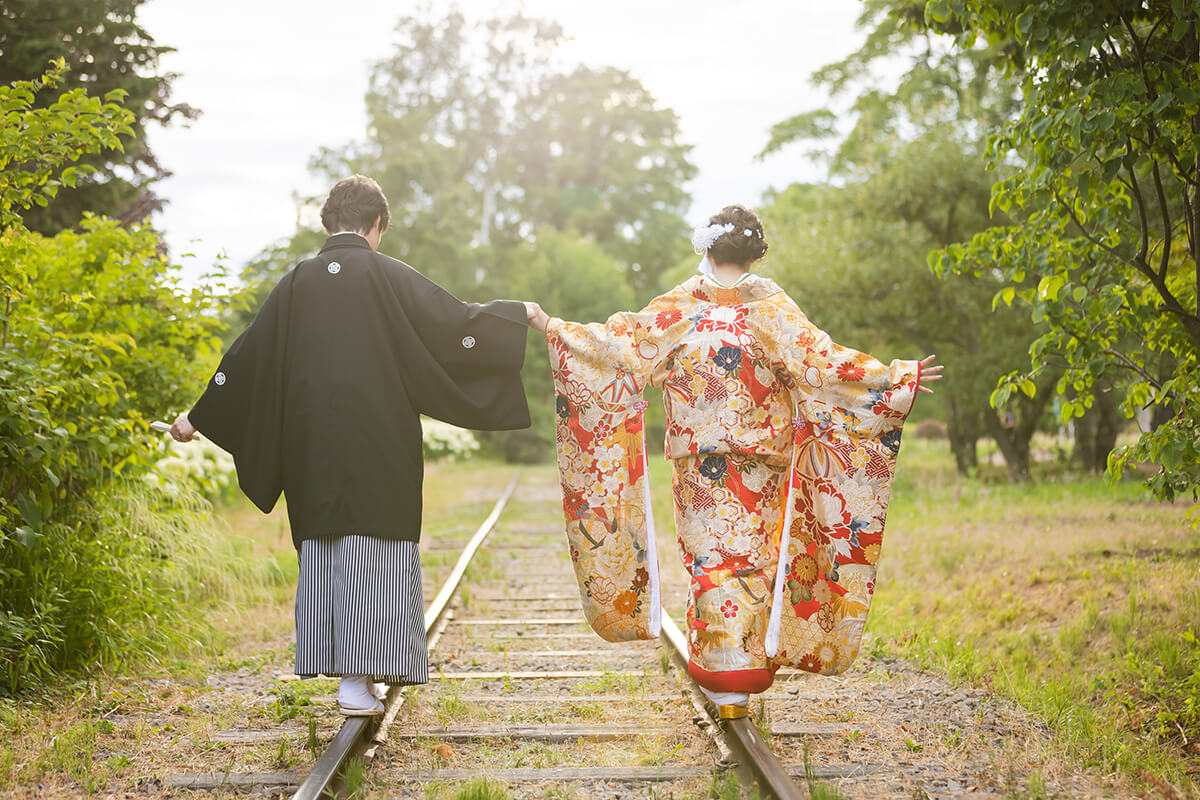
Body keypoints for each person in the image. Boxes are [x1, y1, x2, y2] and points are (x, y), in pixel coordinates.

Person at [528, 205, 941, 717]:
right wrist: (893, 380)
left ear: (706, 248)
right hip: (761, 468)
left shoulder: (678, 309)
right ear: (756, 254)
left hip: (699, 465)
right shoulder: (774, 311)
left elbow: (617, 349)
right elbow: (824, 366)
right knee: (752, 562)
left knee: (710, 562)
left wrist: (552, 326)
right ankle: (739, 675)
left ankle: (724, 673)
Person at [170, 175, 537, 715]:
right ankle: (369, 672)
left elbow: (246, 359)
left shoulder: (295, 282)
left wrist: (196, 417)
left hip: (310, 444)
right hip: (380, 439)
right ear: (377, 225)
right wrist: (515, 313)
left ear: (327, 224)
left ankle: (348, 681)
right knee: (379, 546)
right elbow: (454, 325)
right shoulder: (389, 276)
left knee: (325, 547)